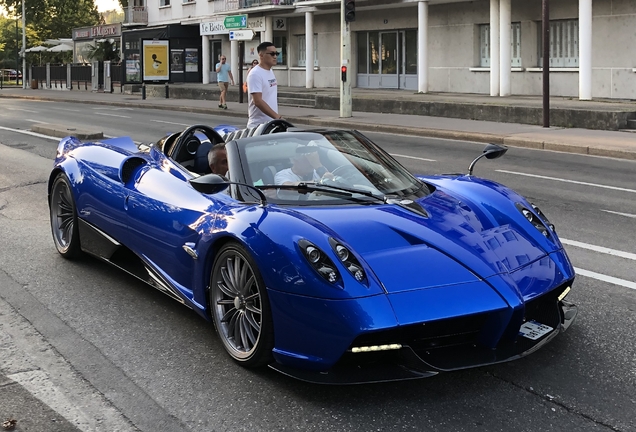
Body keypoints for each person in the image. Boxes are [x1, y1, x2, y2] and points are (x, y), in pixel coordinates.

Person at [247, 42, 282, 128]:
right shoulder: (255, 74)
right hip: (258, 126)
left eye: (276, 54)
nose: (275, 56)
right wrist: (278, 117)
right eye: (272, 54)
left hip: (271, 123)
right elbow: (257, 101)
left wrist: (275, 119)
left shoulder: (270, 71)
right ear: (261, 55)